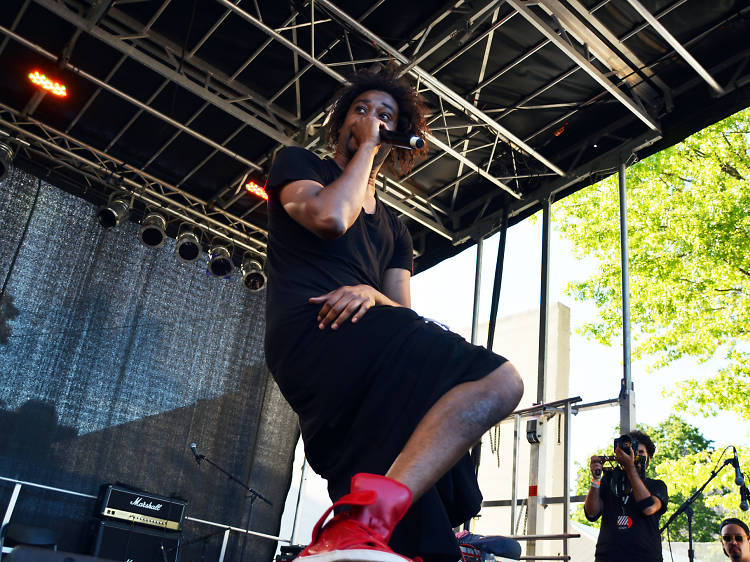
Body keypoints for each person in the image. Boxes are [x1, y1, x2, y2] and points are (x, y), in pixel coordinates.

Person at [263, 64, 524, 562]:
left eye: (385, 115)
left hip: (370, 341)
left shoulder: (395, 230)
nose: (373, 119)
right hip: (311, 330)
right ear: (342, 123)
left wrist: (368, 290)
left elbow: (400, 311)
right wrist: (365, 148)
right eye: (361, 110)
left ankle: (364, 530)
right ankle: (369, 517)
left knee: (418, 513)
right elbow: (329, 217)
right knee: (500, 381)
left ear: (400, 135)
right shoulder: (297, 164)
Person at [584, 430, 669, 562]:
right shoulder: (609, 481)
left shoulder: (657, 485)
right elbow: (591, 513)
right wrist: (596, 479)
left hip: (645, 558)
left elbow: (648, 507)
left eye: (640, 453)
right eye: (632, 452)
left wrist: (630, 468)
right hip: (608, 557)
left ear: (649, 459)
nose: (635, 457)